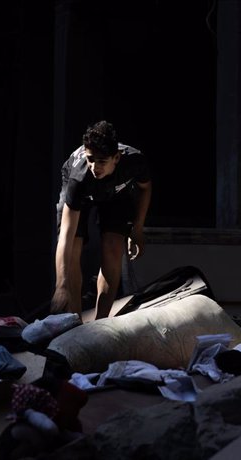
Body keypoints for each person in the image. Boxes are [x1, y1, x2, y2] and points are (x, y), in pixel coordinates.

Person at [50, 120, 152, 320]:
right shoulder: (79, 177)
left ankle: (101, 323)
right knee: (73, 252)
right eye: (90, 159)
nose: (94, 167)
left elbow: (146, 188)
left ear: (116, 157)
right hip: (83, 194)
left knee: (113, 249)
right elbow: (66, 238)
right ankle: (74, 322)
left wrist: (137, 229)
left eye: (102, 161)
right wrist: (60, 285)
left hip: (116, 194)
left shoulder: (134, 162)